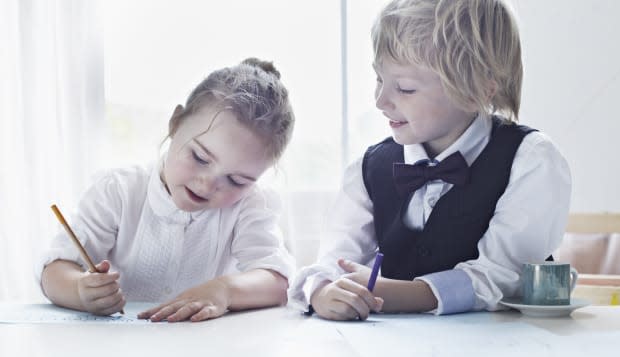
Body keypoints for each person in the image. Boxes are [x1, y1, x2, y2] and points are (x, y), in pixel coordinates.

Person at [288, 0, 571, 320]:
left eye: (405, 88)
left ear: (478, 89)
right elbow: (331, 262)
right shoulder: (368, 169)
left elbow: (504, 275)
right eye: (379, 79)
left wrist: (400, 294)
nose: (380, 101)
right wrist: (324, 290)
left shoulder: (532, 161)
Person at [37, 58, 296, 322]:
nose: (207, 184)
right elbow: (54, 270)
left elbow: (277, 281)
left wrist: (224, 290)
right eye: (200, 158)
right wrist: (80, 290)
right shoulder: (118, 192)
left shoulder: (249, 205)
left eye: (237, 180)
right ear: (175, 123)